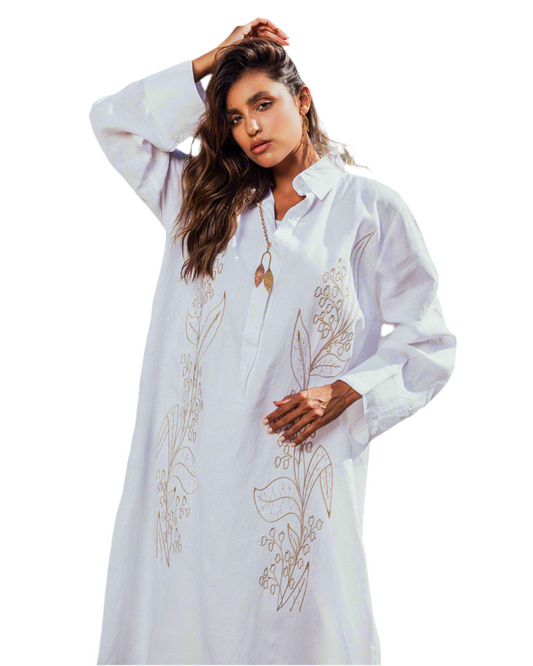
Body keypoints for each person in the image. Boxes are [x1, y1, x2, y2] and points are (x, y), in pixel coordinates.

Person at [89, 17, 457, 666]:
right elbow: (111, 122)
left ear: (302, 99)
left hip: (295, 464)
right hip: (194, 476)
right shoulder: (200, 200)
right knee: (185, 621)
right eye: (233, 117)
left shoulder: (367, 208)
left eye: (263, 104)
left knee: (300, 627)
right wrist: (215, 57)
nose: (251, 128)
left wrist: (347, 391)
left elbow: (428, 340)